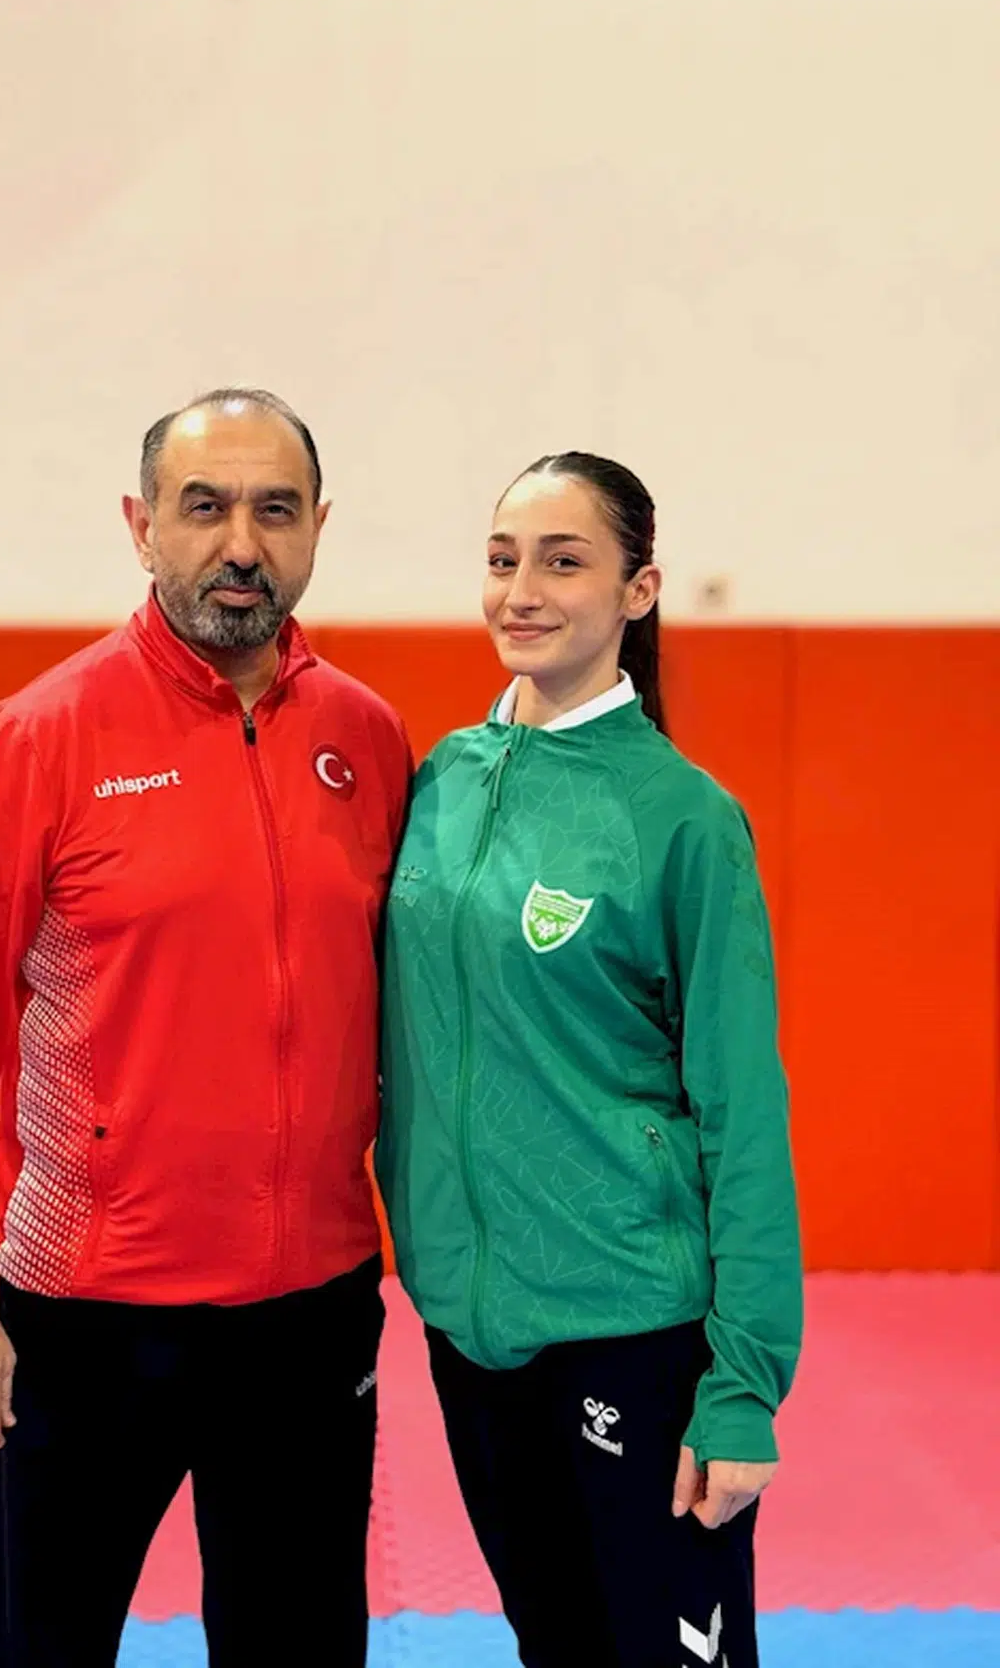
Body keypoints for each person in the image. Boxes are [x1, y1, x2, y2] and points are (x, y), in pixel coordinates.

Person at [0, 387, 412, 1668]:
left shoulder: (366, 737)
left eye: (275, 510)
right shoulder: (44, 736)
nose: (241, 545)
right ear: (139, 524)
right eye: (203, 507)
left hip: (311, 1313)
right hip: (89, 1316)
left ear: (318, 526)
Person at [376, 451, 803, 1667]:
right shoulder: (439, 784)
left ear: (637, 590)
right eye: (501, 560)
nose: (521, 591)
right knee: (554, 1648)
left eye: (562, 563)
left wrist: (742, 1387)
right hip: (470, 1329)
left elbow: (741, 1111)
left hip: (631, 1326)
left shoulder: (683, 819)